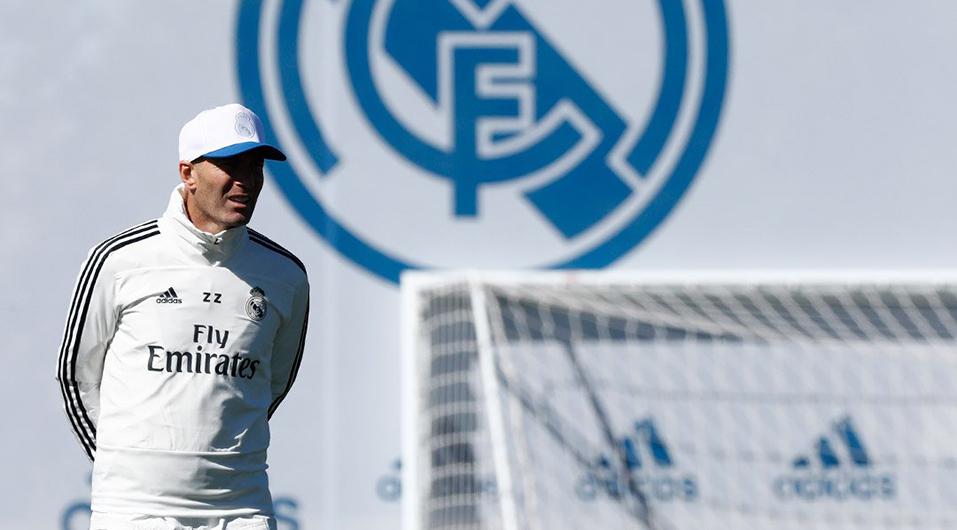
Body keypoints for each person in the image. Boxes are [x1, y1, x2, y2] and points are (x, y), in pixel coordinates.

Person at [56, 103, 310, 530]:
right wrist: (132, 464)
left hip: (242, 510)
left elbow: (270, 384)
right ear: (188, 173)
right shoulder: (119, 260)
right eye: (230, 165)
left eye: (255, 167)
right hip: (135, 511)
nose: (245, 182)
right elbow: (76, 375)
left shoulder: (285, 275)